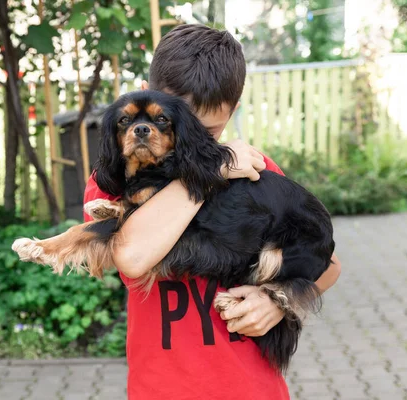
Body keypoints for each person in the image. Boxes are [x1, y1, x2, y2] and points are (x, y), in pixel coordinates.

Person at [83, 24, 342, 400]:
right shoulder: (117, 180)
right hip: (163, 390)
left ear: (233, 110)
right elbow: (132, 257)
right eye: (178, 126)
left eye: (208, 132)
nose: (195, 143)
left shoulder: (256, 169)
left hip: (255, 390)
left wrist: (277, 301)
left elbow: (328, 264)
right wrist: (212, 172)